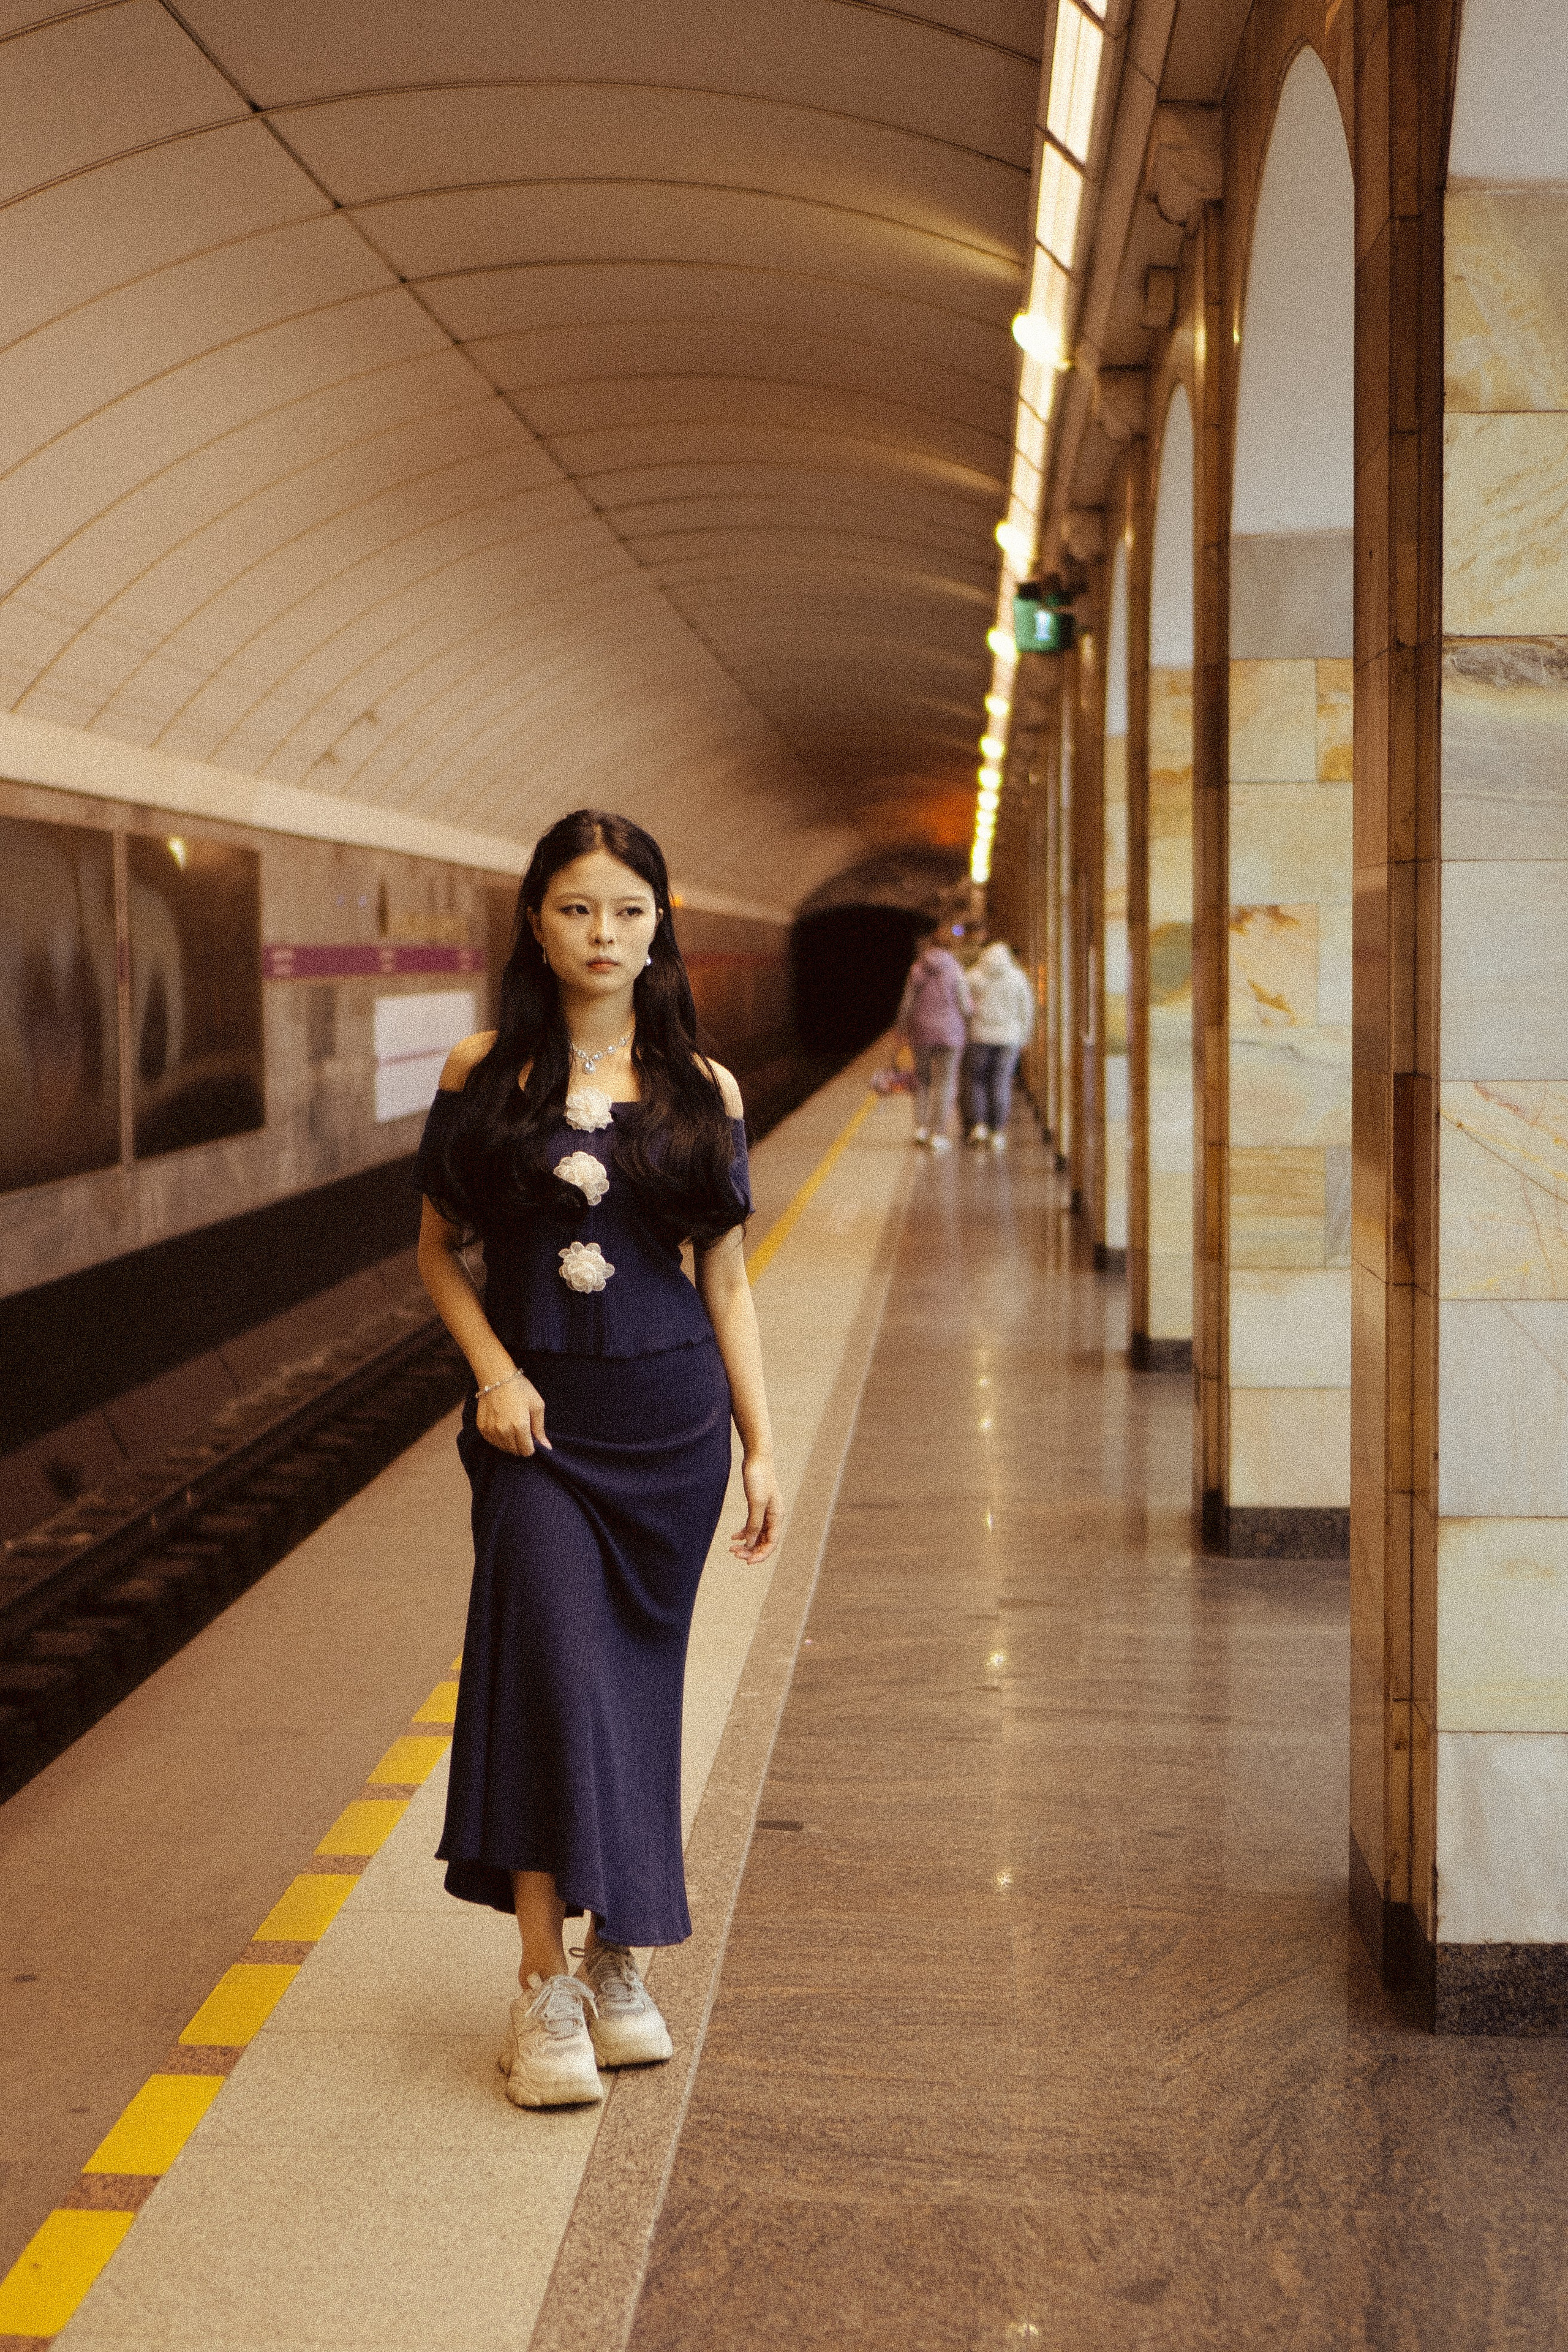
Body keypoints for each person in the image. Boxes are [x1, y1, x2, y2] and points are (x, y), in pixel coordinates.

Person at [415, 810, 780, 2110]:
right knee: (549, 1680)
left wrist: (760, 1443)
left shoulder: (705, 1089)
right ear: (534, 921)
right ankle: (540, 1988)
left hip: (668, 1428)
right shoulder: (482, 1071)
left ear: (659, 924)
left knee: (633, 1694)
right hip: (536, 1433)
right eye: (577, 909)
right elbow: (436, 1255)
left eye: (627, 911)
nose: (603, 935)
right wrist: (496, 1375)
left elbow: (725, 1284)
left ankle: (620, 1962)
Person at [894, 933, 972, 1148]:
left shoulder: (917, 970)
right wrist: (967, 1020)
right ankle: (938, 1133)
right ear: (950, 949)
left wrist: (900, 1029)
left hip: (921, 1032)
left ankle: (920, 1129)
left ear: (929, 947)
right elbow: (965, 1006)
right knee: (945, 1082)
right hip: (950, 1033)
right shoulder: (956, 970)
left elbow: (907, 1004)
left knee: (922, 1079)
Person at [963, 940, 1035, 1149]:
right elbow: (1027, 1009)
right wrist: (1025, 1036)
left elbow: (963, 1006)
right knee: (1001, 1081)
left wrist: (968, 1029)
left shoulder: (973, 976)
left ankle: (978, 1126)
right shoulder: (1017, 977)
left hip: (979, 1036)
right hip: (1009, 1038)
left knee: (977, 1081)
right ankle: (997, 1131)